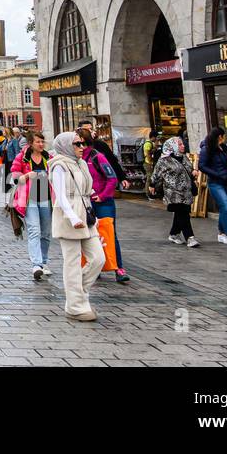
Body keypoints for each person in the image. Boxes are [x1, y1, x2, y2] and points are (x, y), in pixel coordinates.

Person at [49, 131, 103, 322]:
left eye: (83, 143)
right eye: (78, 144)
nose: (82, 147)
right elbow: (61, 196)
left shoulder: (80, 163)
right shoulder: (58, 165)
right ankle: (75, 306)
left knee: (98, 258)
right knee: (72, 262)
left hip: (86, 214)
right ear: (65, 146)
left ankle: (78, 294)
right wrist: (72, 217)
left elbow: (86, 189)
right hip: (69, 215)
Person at [81, 133, 130, 284]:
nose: (76, 146)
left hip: (103, 202)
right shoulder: (76, 159)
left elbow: (112, 178)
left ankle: (118, 268)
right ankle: (95, 266)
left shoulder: (97, 157)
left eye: (79, 143)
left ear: (86, 143)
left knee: (109, 233)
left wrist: (102, 195)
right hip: (86, 203)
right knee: (89, 235)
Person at [10, 132, 51, 280]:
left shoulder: (48, 157)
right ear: (31, 143)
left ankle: (44, 262)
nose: (41, 144)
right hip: (29, 198)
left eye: (42, 141)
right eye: (38, 142)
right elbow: (14, 176)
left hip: (46, 197)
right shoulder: (22, 157)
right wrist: (27, 175)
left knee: (46, 233)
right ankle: (36, 264)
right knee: (34, 230)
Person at [151, 136, 200, 247]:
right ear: (172, 146)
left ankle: (174, 234)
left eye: (182, 144)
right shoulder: (164, 160)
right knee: (183, 213)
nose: (183, 146)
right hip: (173, 192)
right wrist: (152, 185)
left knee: (182, 213)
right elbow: (156, 174)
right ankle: (190, 237)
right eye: (180, 144)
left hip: (186, 191)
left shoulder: (183, 157)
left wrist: (193, 172)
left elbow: (189, 169)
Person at [198, 126, 227, 247]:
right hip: (215, 182)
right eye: (223, 136)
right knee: (226, 207)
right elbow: (201, 166)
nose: (225, 138)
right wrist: (217, 174)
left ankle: (221, 233)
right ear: (219, 137)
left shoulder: (223, 148)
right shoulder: (206, 149)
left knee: (226, 208)